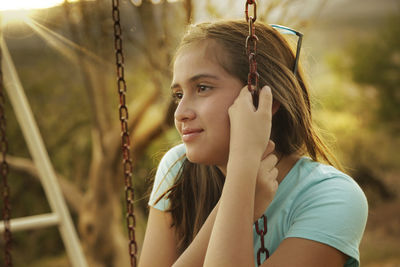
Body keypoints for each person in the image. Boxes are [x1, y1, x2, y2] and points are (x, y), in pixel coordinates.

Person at [139, 20, 368, 267]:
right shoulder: (178, 168)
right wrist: (241, 189)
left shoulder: (331, 197)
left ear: (263, 99)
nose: (180, 112)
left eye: (203, 88)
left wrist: (242, 170)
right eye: (179, 95)